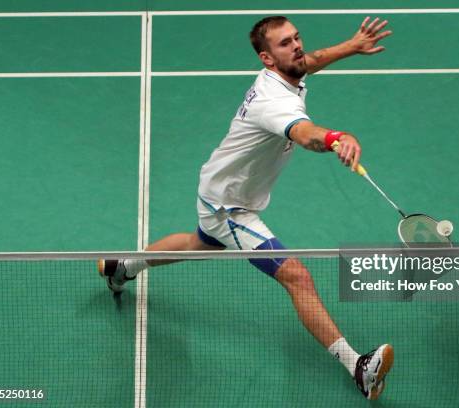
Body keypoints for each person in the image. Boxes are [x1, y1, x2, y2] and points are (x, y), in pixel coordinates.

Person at [99, 15, 394, 400]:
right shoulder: (273, 103)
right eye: (285, 43)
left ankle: (122, 267)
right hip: (230, 207)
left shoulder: (286, 74)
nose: (298, 46)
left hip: (219, 188)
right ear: (266, 59)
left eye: (297, 37)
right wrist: (338, 137)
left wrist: (351, 46)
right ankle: (357, 367)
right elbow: (305, 135)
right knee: (297, 277)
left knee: (199, 244)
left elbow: (309, 62)